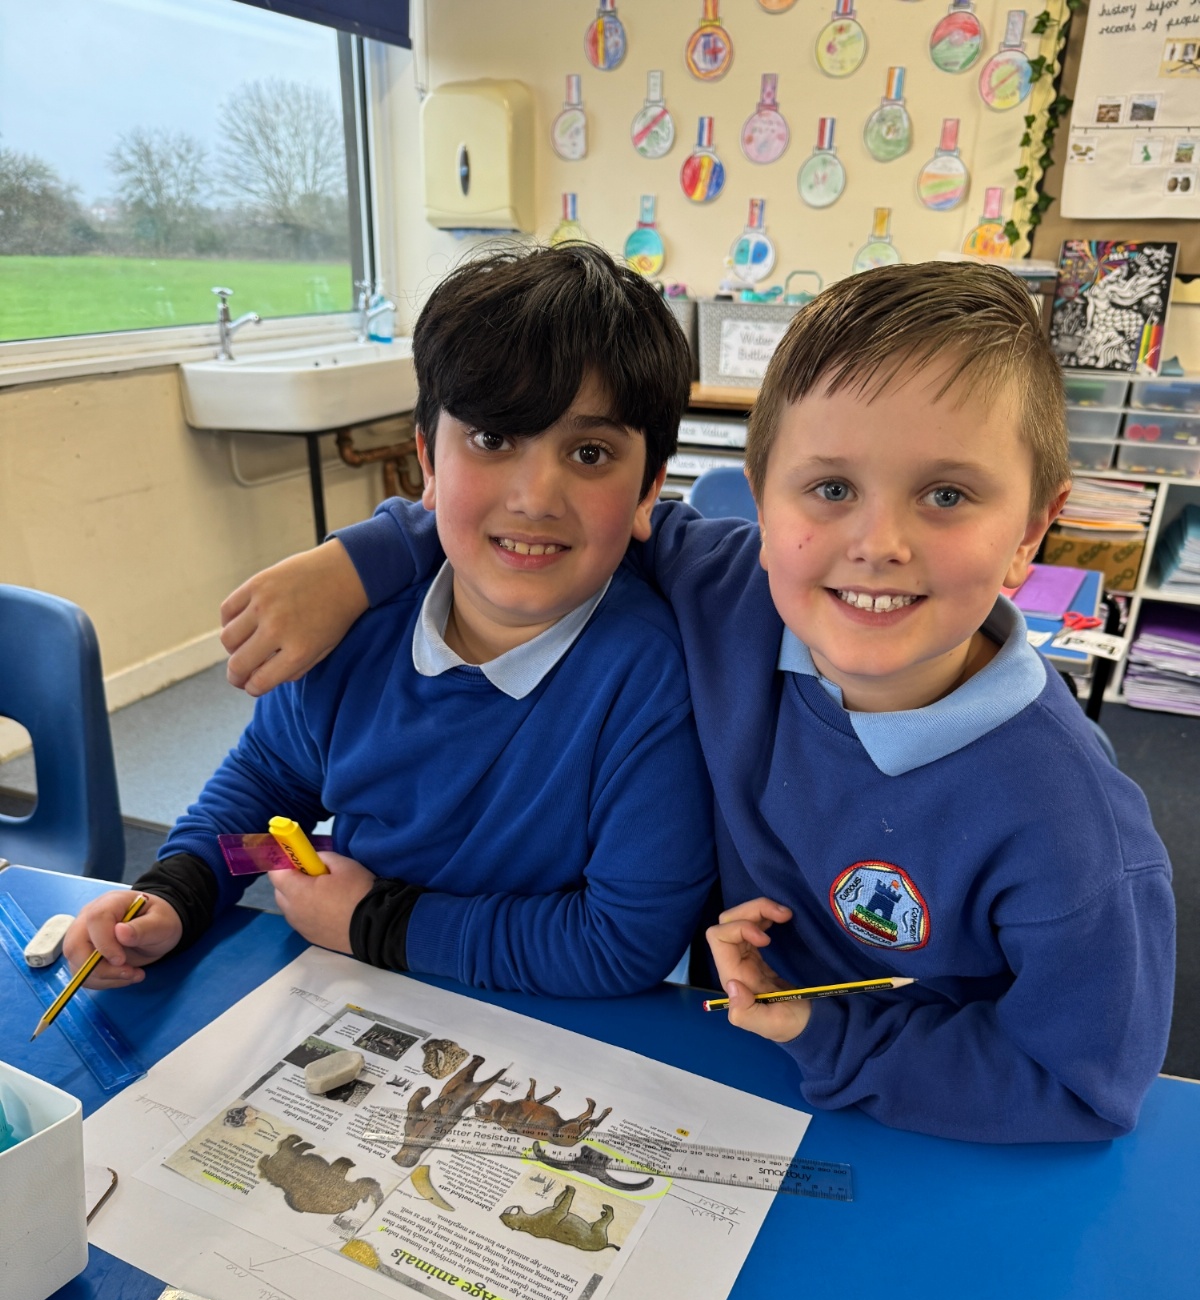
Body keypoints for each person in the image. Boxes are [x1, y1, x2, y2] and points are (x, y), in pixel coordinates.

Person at [215, 259, 1175, 1144]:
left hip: (923, 1127)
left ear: (1032, 531)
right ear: (761, 502)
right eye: (830, 488)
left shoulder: (1073, 830)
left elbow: (1084, 1087)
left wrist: (824, 1032)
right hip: (711, 1063)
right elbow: (532, 525)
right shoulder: (728, 587)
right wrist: (359, 559)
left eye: (948, 496)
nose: (879, 544)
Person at [63, 244, 715, 998]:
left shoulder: (651, 679)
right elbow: (264, 805)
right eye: (493, 438)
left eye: (591, 453)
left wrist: (374, 923)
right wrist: (180, 892)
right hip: (349, 996)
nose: (535, 497)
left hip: (543, 1018)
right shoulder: (350, 624)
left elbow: (622, 943)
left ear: (649, 491)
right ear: (427, 463)